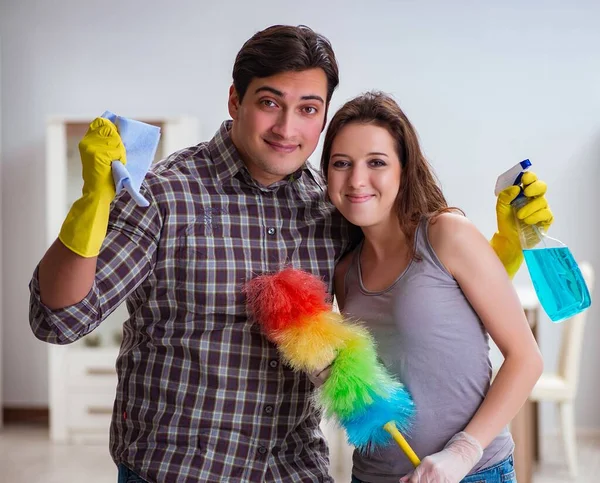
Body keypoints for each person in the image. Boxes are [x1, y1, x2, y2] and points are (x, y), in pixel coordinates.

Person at [28, 25, 551, 483]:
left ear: (321, 119)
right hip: (180, 468)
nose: (286, 128)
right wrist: (92, 205)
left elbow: (411, 288)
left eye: (307, 109)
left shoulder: (330, 208)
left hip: (294, 468)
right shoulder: (167, 194)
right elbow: (60, 320)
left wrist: (500, 251)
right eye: (269, 102)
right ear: (235, 100)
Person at [320, 91, 546, 483]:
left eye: (376, 162)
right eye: (342, 164)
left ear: (403, 171)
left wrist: (461, 455)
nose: (357, 180)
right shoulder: (344, 272)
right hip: (373, 476)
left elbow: (526, 359)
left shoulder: (446, 234)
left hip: (472, 474)